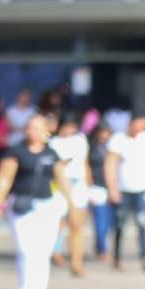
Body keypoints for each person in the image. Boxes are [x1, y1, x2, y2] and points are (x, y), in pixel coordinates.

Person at [0, 114, 73, 289]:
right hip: (22, 205)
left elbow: (62, 180)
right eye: (30, 128)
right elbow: (4, 179)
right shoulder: (16, 152)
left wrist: (71, 204)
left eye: (38, 128)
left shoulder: (52, 153)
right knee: (26, 250)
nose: (33, 132)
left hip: (46, 205)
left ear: (46, 132)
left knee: (43, 252)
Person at [104, 116, 145, 272]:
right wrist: (112, 188)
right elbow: (110, 164)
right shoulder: (119, 140)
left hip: (142, 187)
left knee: (143, 223)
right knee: (120, 224)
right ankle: (117, 256)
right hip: (124, 188)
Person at [50, 114, 91, 276]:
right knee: (58, 223)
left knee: (77, 224)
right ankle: (55, 251)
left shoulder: (80, 140)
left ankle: (76, 261)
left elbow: (85, 163)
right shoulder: (54, 143)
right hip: (59, 185)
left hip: (78, 183)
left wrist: (88, 184)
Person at [87, 124, 114, 262]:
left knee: (109, 221)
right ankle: (102, 249)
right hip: (96, 186)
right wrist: (89, 185)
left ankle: (101, 246)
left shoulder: (112, 149)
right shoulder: (91, 149)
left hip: (110, 187)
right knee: (100, 221)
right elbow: (87, 167)